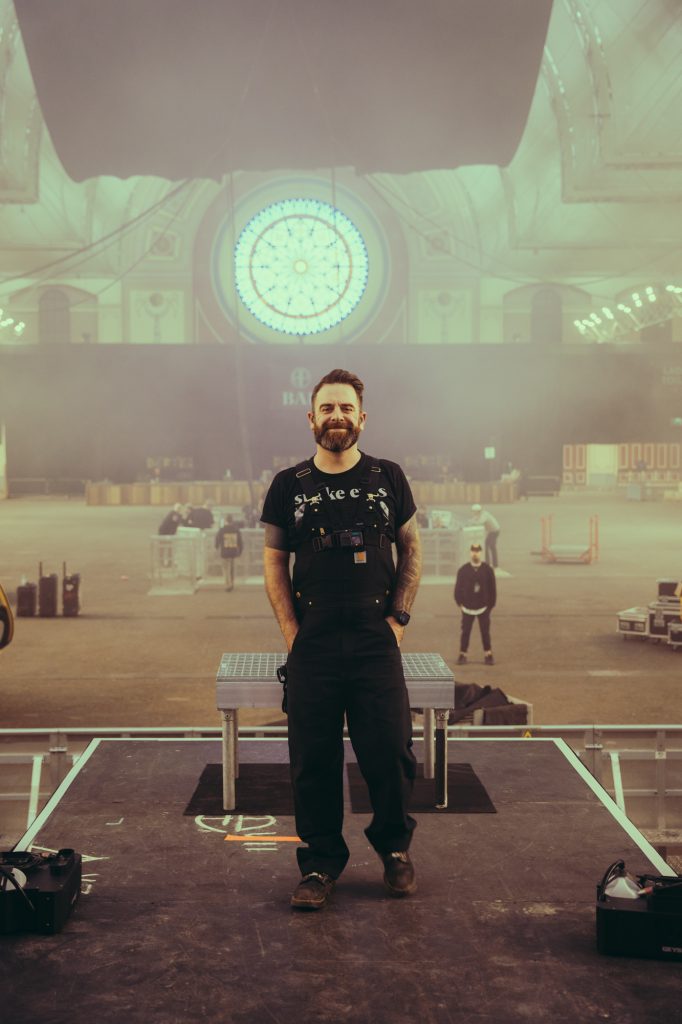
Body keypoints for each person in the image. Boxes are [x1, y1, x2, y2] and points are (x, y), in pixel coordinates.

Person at [261, 368, 422, 911]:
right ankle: (321, 865)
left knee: (391, 752)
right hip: (314, 645)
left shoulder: (389, 476)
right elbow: (273, 563)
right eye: (327, 409)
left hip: (377, 642)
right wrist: (292, 635)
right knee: (312, 759)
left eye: (345, 409)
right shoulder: (288, 485)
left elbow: (413, 552)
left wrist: (398, 621)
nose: (336, 417)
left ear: (361, 418)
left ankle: (395, 852)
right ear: (311, 418)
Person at [454, 542, 496, 665]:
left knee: (485, 632)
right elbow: (457, 589)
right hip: (467, 608)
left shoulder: (488, 570)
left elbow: (493, 590)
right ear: (470, 553)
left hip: (483, 608)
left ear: (481, 553)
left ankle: (488, 654)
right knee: (465, 632)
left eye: (477, 551)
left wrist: (490, 606)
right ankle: (462, 654)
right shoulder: (463, 570)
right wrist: (460, 604)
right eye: (473, 551)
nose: (475, 553)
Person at [215, 514, 243, 591]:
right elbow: (240, 542)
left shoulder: (222, 530)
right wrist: (240, 551)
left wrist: (216, 547)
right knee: (232, 569)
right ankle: (232, 583)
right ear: (232, 521)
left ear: (225, 521)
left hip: (224, 552)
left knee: (225, 569)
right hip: (233, 552)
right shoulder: (236, 530)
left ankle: (228, 584)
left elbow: (217, 540)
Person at [470, 502, 501, 569]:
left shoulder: (484, 515)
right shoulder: (480, 514)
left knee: (487, 546)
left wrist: (471, 523)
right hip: (492, 531)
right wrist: (470, 522)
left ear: (477, 511)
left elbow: (479, 522)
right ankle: (495, 564)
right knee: (492, 547)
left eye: (474, 511)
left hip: (494, 531)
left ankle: (488, 563)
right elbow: (473, 520)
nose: (473, 513)